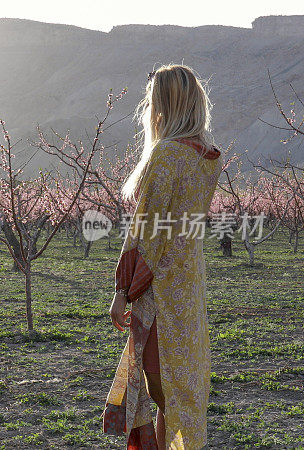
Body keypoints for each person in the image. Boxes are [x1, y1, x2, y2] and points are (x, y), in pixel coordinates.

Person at [102, 64, 222, 449]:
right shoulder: (208, 157)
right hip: (189, 285)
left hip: (160, 292)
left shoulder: (168, 154)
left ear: (162, 104)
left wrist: (123, 290)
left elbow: (145, 234)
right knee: (179, 392)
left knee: (158, 389)